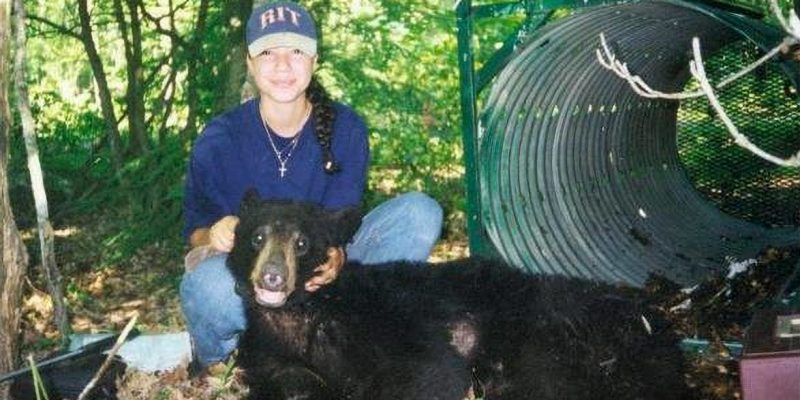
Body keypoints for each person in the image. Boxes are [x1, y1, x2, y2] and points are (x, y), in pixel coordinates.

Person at [180, 0, 443, 371]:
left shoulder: (347, 128)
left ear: (315, 61)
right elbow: (194, 230)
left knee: (420, 212)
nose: (283, 66)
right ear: (251, 64)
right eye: (268, 52)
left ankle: (351, 336)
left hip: (320, 275)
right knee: (205, 288)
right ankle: (221, 361)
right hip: (258, 281)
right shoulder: (219, 139)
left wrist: (337, 252)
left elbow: (343, 218)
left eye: (297, 52)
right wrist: (213, 234)